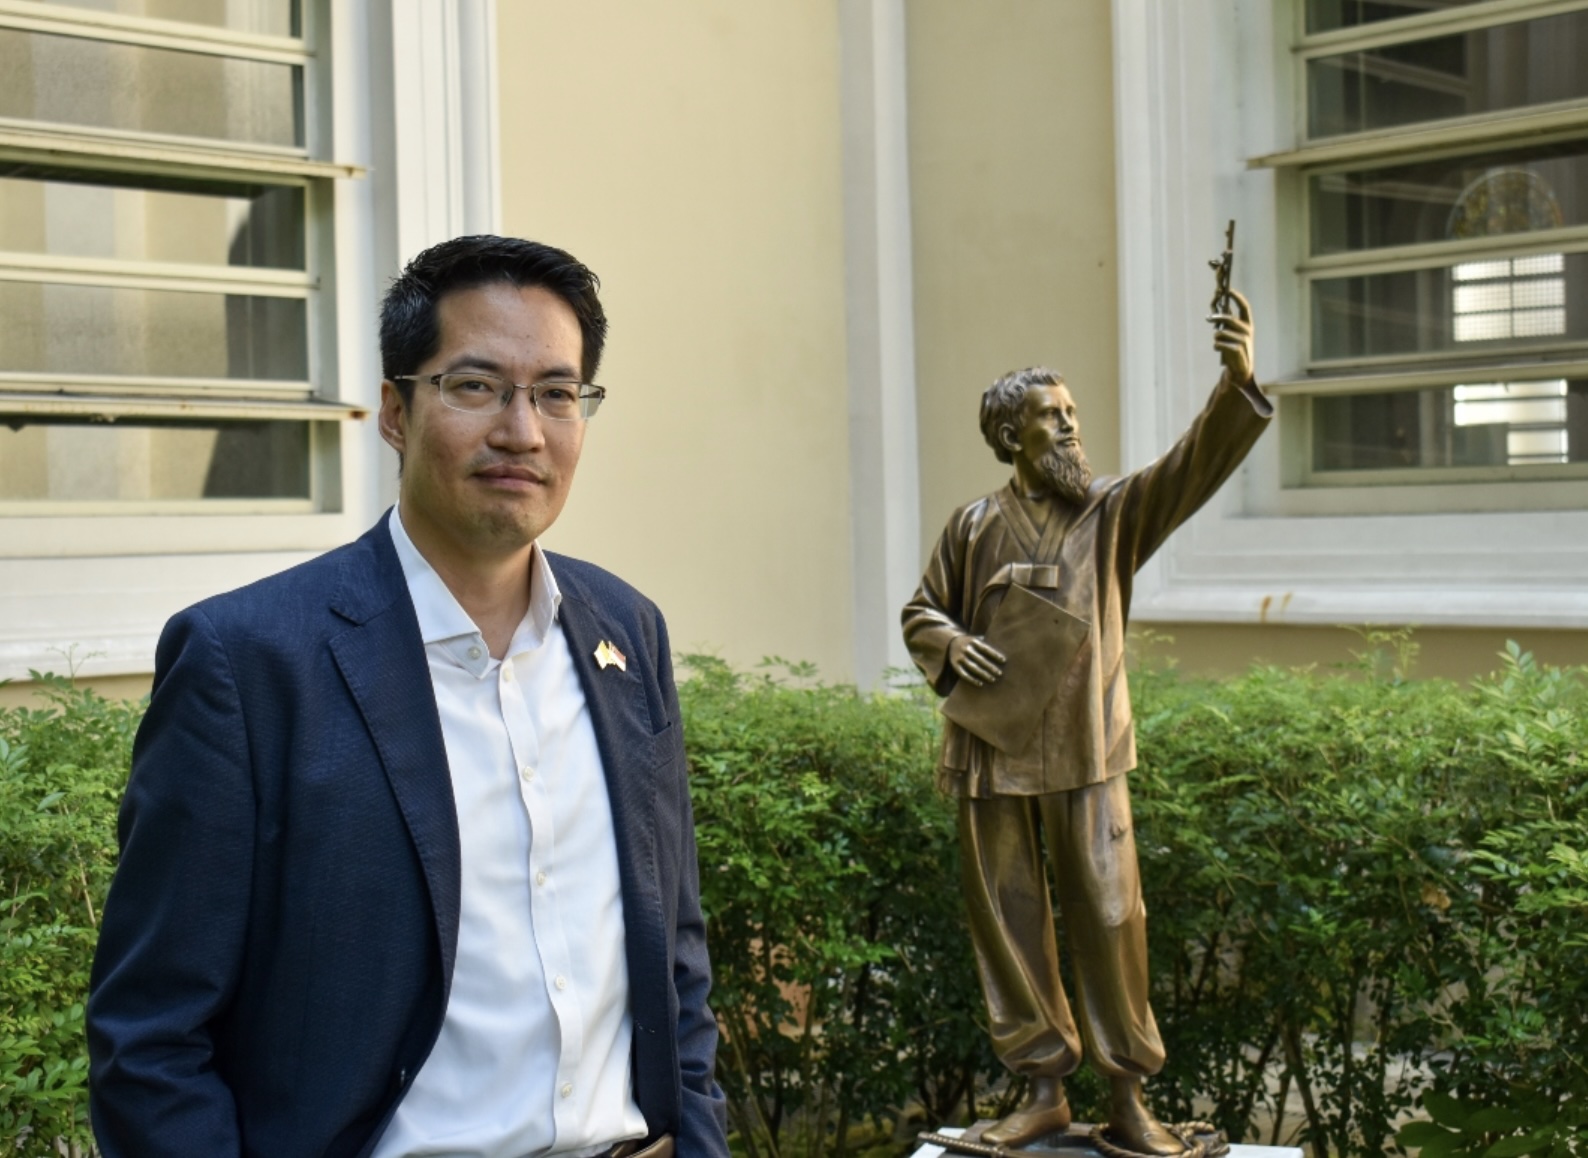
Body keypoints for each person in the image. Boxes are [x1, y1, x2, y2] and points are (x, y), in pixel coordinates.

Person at [87, 235, 730, 1158]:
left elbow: (675, 960)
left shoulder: (627, 634)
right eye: (475, 387)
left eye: (558, 392)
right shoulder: (248, 664)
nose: (524, 431)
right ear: (394, 410)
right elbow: (151, 1038)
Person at [901, 291, 1270, 1153]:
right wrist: (952, 644)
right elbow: (923, 610)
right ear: (1008, 437)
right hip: (991, 749)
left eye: (1071, 412)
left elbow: (1189, 468)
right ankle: (1039, 1088)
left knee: (1111, 915)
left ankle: (1129, 1095)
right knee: (1007, 916)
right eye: (1048, 417)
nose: (1069, 428)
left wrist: (1237, 380)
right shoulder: (973, 524)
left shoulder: (1111, 512)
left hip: (1088, 747)